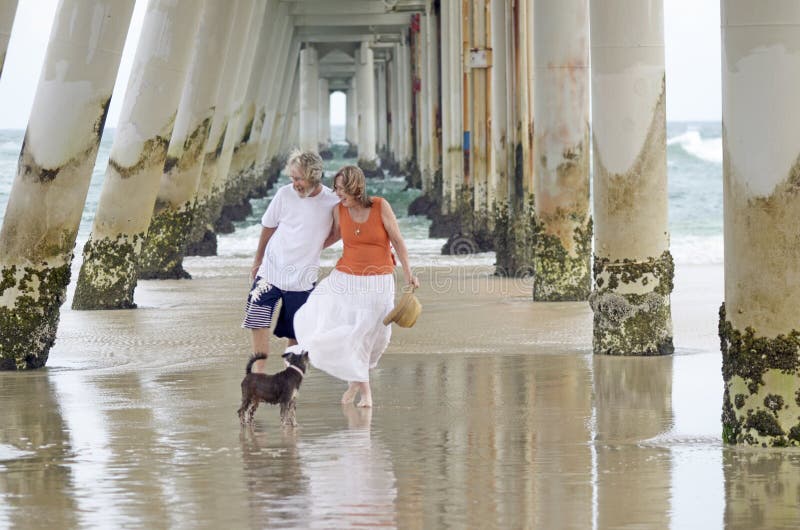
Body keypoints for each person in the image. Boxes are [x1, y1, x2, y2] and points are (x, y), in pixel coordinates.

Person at [293, 165, 419, 407]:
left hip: (379, 281)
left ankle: (355, 381)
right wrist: (307, 250)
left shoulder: (381, 206)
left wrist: (408, 273)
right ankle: (366, 394)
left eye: (341, 189)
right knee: (352, 333)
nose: (337, 193)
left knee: (378, 337)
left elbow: (398, 240)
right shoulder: (339, 210)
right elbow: (334, 236)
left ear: (355, 187)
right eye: (336, 188)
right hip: (346, 280)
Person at [242, 150, 340, 373]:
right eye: (292, 178)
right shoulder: (284, 194)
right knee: (257, 321)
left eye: (298, 179)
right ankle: (258, 374)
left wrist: (317, 245)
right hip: (270, 271)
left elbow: (339, 231)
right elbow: (268, 226)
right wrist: (258, 259)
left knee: (296, 330)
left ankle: (289, 379)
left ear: (314, 176)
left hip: (303, 278)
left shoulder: (331, 201)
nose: (294, 183)